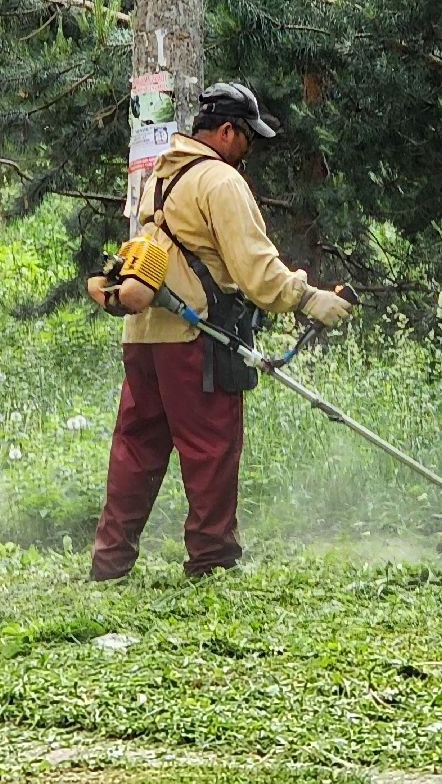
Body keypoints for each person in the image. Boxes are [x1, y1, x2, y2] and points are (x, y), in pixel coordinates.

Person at [89, 81, 354, 581]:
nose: (248, 150)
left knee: (135, 448)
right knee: (210, 449)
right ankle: (211, 561)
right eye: (247, 137)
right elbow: (256, 269)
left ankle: (110, 562)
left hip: (143, 337)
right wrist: (307, 297)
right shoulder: (219, 181)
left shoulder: (159, 178)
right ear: (227, 131)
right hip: (195, 342)